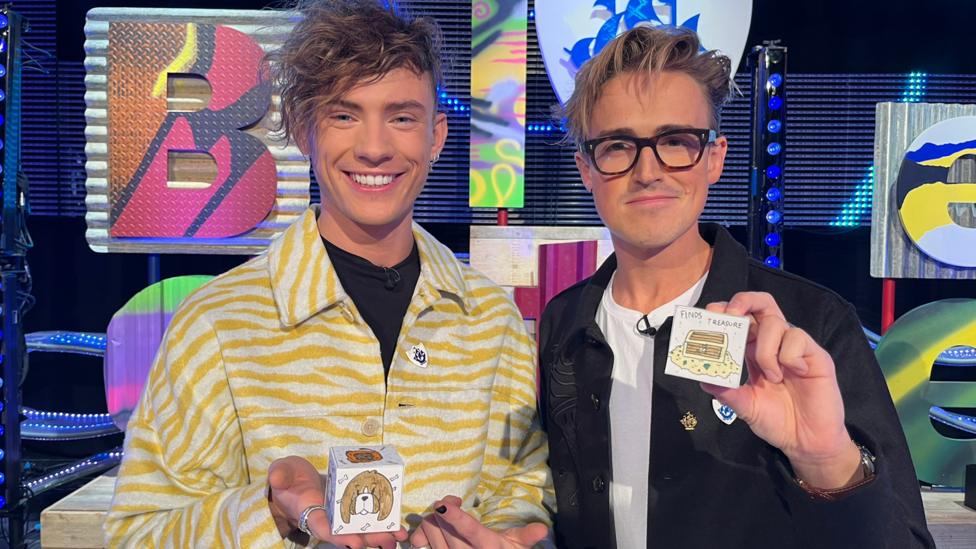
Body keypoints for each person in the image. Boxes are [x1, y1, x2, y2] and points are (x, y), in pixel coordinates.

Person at [104, 1, 553, 547]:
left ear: (435, 137)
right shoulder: (219, 323)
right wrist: (269, 512)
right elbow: (139, 533)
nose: (373, 147)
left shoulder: (490, 317)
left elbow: (523, 488)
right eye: (344, 114)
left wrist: (487, 535)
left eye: (402, 117)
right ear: (301, 128)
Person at [538, 25, 935, 548]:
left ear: (715, 157)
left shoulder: (811, 323)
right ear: (585, 169)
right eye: (617, 147)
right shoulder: (563, 323)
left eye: (676, 141)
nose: (648, 170)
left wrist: (824, 461)